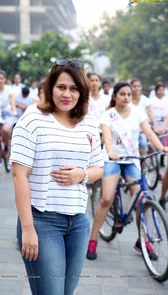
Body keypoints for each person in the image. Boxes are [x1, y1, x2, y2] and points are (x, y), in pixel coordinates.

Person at [10, 59, 104, 295]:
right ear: (50, 87)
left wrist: (81, 175)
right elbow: (19, 175)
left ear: (82, 92)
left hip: (79, 222)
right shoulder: (33, 119)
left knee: (66, 292)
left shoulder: (89, 124)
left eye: (74, 89)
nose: (67, 94)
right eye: (61, 87)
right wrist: (28, 228)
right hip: (42, 221)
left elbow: (98, 168)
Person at [86, 81, 168, 261]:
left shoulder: (138, 113)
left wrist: (162, 148)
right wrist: (110, 151)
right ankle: (93, 239)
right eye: (122, 94)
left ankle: (142, 240)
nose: (126, 97)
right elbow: (106, 137)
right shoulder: (108, 115)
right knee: (106, 198)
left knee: (142, 200)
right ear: (115, 96)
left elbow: (149, 133)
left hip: (132, 159)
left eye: (129, 94)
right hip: (112, 159)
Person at [130, 78, 158, 156]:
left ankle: (142, 167)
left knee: (143, 147)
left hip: (143, 129)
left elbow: (150, 114)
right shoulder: (127, 100)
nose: (137, 88)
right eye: (134, 86)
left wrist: (155, 126)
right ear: (130, 88)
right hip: (130, 129)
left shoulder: (145, 100)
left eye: (139, 86)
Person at [0, 70, 17, 145]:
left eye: (2, 78)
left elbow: (13, 104)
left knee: (6, 130)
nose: (0, 80)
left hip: (6, 113)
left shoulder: (9, 89)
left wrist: (14, 111)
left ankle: (7, 145)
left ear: (5, 79)